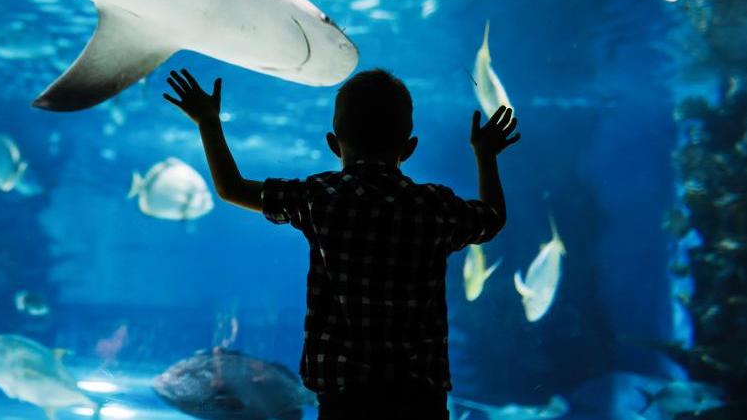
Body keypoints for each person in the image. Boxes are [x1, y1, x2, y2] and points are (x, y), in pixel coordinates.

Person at [163, 67, 519, 420]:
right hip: (419, 398)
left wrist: (208, 121)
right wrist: (485, 156)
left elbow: (231, 187)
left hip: (344, 398)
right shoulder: (435, 206)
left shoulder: (321, 198)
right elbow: (492, 217)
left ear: (333, 143)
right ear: (409, 148)